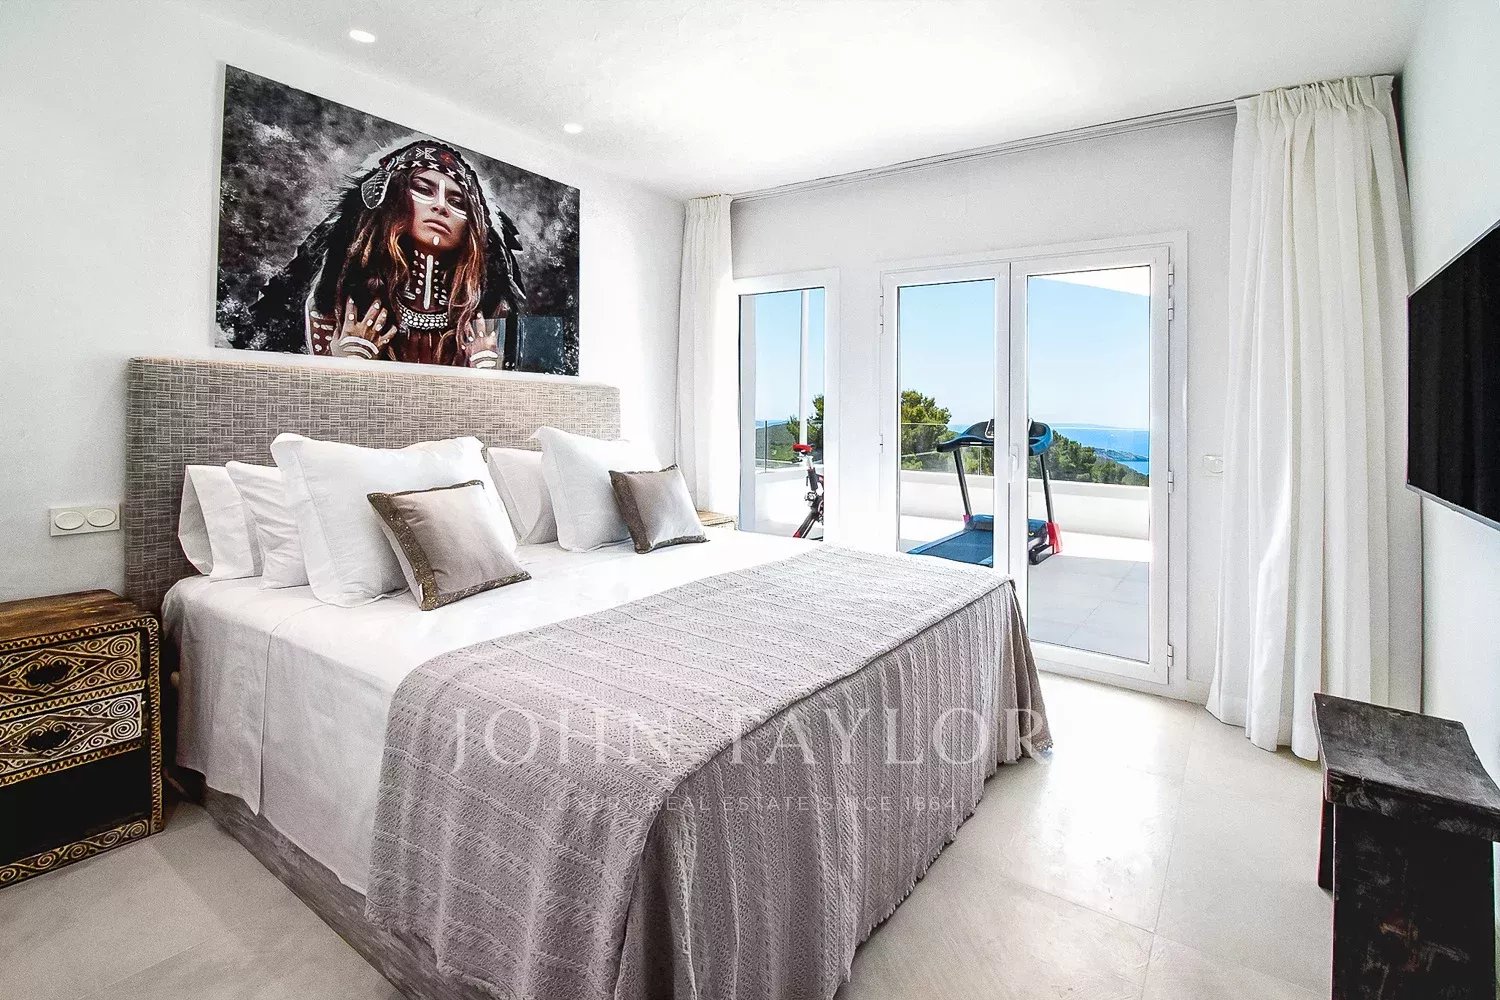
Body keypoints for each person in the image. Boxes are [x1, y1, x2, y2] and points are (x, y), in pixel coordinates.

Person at [243, 140, 524, 368]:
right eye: (423, 189)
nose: (441, 206)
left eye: (457, 201)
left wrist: (484, 371)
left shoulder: (486, 315)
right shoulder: (339, 297)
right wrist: (348, 361)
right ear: (391, 199)